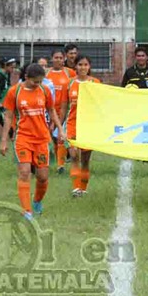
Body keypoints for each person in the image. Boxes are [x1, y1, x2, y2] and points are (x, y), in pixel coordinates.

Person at [0, 63, 65, 219]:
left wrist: (60, 130)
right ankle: (27, 211)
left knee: (42, 177)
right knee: (24, 173)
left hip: (42, 139)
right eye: (35, 81)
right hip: (23, 138)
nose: (38, 84)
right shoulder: (14, 92)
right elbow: (8, 116)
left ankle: (37, 201)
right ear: (26, 78)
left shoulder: (45, 90)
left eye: (40, 81)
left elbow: (51, 110)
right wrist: (4, 140)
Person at [63, 55, 101, 197]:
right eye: (80, 64)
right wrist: (59, 126)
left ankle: (83, 189)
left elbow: (101, 104)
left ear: (89, 67)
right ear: (75, 67)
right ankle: (76, 189)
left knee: (85, 160)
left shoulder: (95, 83)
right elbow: (63, 107)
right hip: (72, 124)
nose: (83, 67)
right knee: (73, 156)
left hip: (89, 126)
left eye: (85, 65)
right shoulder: (69, 83)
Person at [46, 49, 76, 173]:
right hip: (48, 112)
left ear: (64, 59)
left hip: (65, 111)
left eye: (60, 57)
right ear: (52, 59)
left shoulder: (70, 73)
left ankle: (61, 166)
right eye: (56, 57)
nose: (58, 60)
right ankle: (57, 160)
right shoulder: (47, 73)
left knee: (61, 138)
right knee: (51, 138)